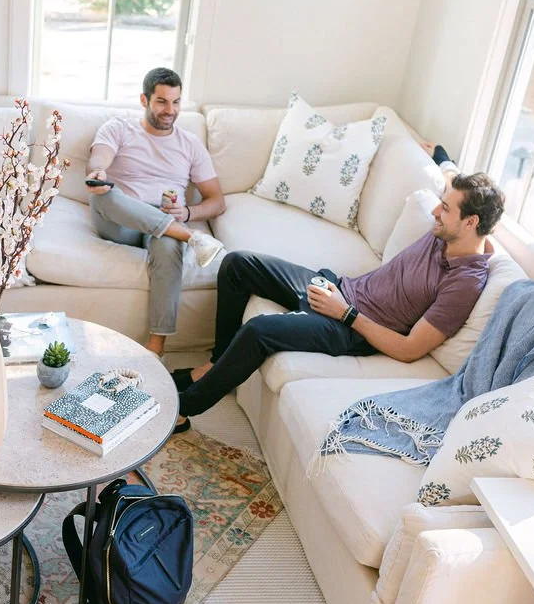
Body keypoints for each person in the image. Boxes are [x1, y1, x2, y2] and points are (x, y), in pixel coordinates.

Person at [170, 165, 506, 432]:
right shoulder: (449, 232)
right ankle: (216, 365)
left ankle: (183, 409)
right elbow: (450, 176)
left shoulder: (464, 284)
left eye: (445, 208)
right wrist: (439, 157)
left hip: (350, 327)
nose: (435, 211)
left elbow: (409, 349)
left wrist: (345, 314)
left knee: (259, 331)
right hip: (339, 288)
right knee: (237, 264)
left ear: (471, 222)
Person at [88, 67, 227, 357]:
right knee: (102, 195)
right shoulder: (119, 128)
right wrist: (99, 172)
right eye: (162, 101)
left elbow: (217, 201)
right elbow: (99, 159)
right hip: (122, 219)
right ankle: (192, 238)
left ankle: (155, 350)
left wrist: (187, 212)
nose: (170, 110)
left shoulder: (189, 144)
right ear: (144, 99)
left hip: (166, 221)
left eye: (176, 102)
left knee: (169, 246)